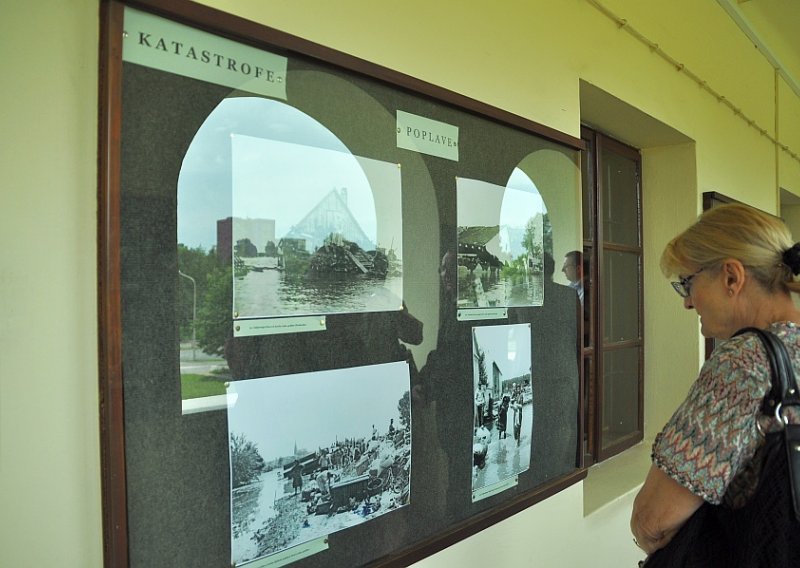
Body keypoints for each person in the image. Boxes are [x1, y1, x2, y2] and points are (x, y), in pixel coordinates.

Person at [630, 204, 800, 556]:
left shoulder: (746, 362)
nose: (688, 303)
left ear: (732, 278)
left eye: (688, 283)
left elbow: (653, 522)